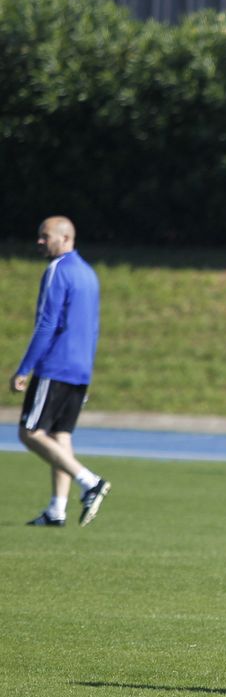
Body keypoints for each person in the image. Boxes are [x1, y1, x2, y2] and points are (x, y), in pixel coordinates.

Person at [12, 216, 111, 527]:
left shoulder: (58, 270)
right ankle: (57, 510)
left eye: (45, 236)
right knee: (60, 435)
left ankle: (89, 481)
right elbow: (93, 327)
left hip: (56, 365)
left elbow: (47, 324)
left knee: (29, 432)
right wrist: (87, 370)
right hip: (79, 368)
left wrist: (25, 368)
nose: (40, 242)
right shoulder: (89, 274)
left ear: (65, 238)